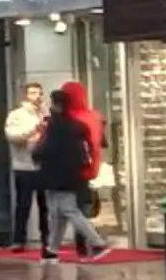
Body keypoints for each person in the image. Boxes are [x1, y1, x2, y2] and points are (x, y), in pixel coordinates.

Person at [34, 90, 110, 264]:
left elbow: (47, 149)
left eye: (52, 103)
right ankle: (52, 250)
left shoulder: (56, 126)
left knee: (67, 211)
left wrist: (37, 153)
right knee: (57, 213)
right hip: (71, 174)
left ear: (59, 105)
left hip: (56, 174)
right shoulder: (77, 126)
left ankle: (96, 242)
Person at [6, 82, 49, 252]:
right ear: (25, 96)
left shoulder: (45, 114)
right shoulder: (16, 115)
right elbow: (13, 136)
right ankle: (19, 239)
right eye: (32, 93)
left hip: (43, 166)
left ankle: (47, 238)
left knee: (45, 205)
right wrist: (33, 131)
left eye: (39, 93)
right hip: (24, 165)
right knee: (23, 205)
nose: (36, 97)